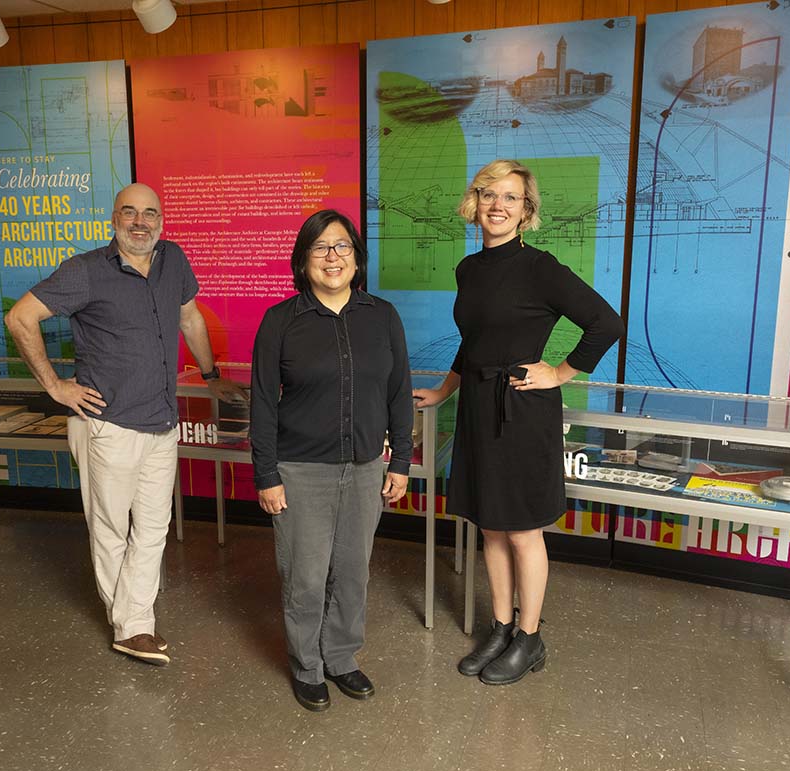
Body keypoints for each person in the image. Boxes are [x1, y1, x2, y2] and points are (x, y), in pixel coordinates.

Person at [5, 182, 243, 666]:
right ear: (113, 218)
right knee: (111, 528)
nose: (141, 222)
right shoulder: (87, 271)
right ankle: (132, 626)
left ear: (162, 219)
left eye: (150, 213)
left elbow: (190, 319)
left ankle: (133, 618)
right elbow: (20, 317)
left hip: (160, 421)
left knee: (154, 527)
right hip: (107, 425)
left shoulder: (173, 259)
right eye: (129, 212)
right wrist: (55, 386)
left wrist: (212, 375)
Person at [412, 160, 623, 686]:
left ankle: (530, 639)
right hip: (479, 407)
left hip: (523, 409)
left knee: (524, 529)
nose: (498, 206)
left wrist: (562, 372)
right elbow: (475, 341)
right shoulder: (469, 269)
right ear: (474, 202)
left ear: (526, 211)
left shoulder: (540, 267)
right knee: (490, 523)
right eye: (489, 195)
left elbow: (606, 322)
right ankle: (501, 628)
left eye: (511, 197)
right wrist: (444, 389)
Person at [250, 209, 413, 712]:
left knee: (352, 573)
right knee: (304, 576)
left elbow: (399, 392)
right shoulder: (281, 321)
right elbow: (262, 402)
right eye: (320, 248)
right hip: (300, 474)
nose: (332, 256)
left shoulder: (382, 316)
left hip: (366, 469)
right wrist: (267, 475)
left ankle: (341, 658)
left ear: (357, 258)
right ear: (303, 261)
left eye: (342, 246)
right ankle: (307, 666)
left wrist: (400, 461)